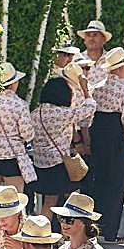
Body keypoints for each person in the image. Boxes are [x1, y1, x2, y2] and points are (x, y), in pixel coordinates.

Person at [87, 48, 124, 242]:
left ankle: (96, 229)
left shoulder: (97, 87)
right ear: (120, 68)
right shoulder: (123, 88)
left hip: (97, 132)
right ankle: (109, 232)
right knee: (116, 182)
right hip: (113, 131)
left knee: (100, 181)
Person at [0, 63, 34, 227]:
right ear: (13, 83)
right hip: (12, 157)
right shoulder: (19, 105)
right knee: (16, 201)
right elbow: (28, 134)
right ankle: (18, 241)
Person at [30, 76, 95, 214]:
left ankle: (41, 233)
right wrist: (86, 90)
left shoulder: (35, 113)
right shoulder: (61, 113)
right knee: (71, 199)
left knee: (48, 202)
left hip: (40, 164)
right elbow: (90, 108)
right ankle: (67, 231)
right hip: (60, 165)